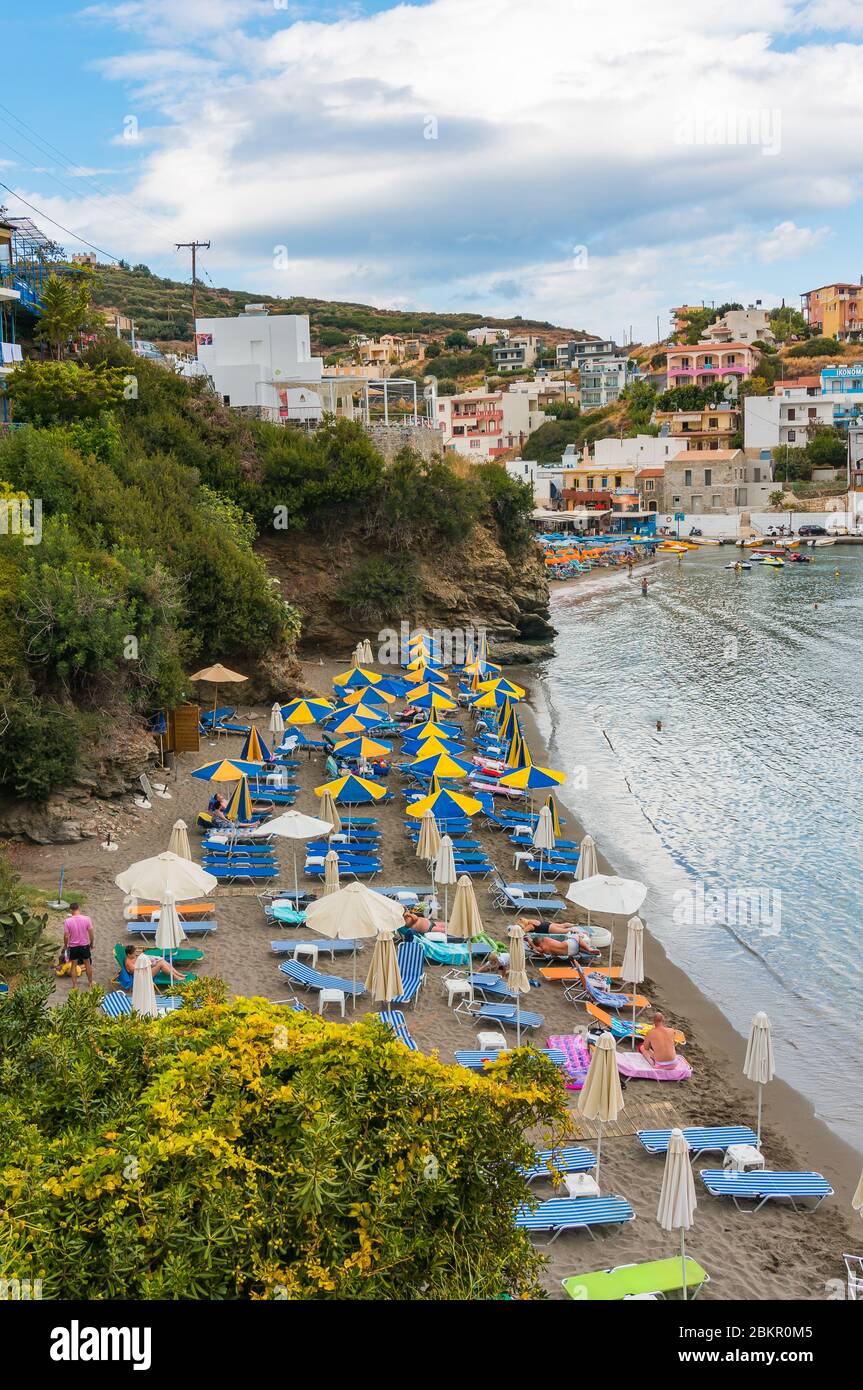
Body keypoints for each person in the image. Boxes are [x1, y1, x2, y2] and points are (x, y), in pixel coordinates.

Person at [115, 944, 187, 991]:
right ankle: (175, 977)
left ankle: (178, 974)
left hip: (144, 971)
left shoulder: (131, 957)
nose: (135, 954)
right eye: (134, 953)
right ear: (128, 954)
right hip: (141, 976)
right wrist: (148, 965)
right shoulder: (128, 963)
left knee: (162, 960)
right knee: (160, 964)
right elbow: (137, 972)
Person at [63, 904, 94, 990]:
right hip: (84, 945)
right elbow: (91, 933)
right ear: (78, 908)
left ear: (71, 910)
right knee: (87, 963)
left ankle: (75, 985)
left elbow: (66, 936)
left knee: (73, 965)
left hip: (73, 946)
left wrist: (65, 945)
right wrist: (91, 943)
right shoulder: (87, 919)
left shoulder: (67, 921)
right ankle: (90, 983)